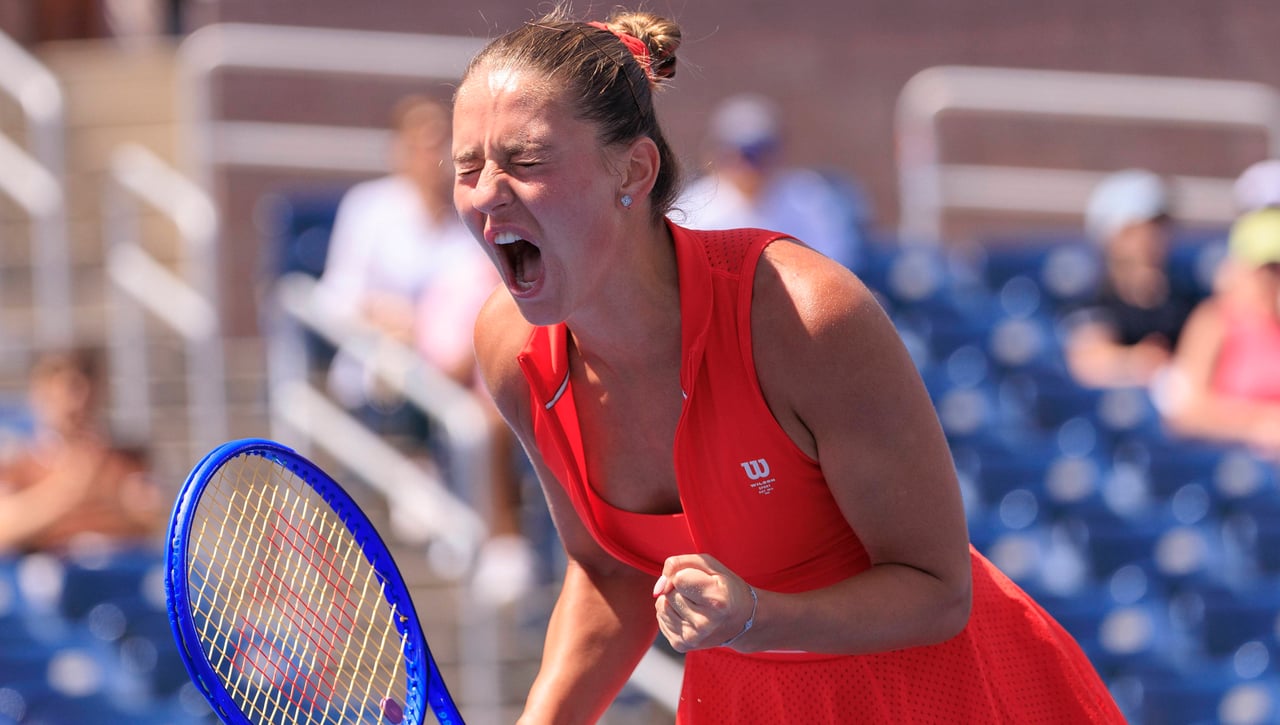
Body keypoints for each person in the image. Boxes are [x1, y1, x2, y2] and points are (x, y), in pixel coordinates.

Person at [452, 6, 1124, 722]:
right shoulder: (508, 347)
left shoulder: (805, 312)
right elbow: (613, 571)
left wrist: (754, 615)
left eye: (526, 160)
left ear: (635, 169)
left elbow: (937, 589)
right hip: (744, 697)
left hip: (947, 693)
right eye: (467, 166)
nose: (487, 189)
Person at [314, 94, 537, 606]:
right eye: (420, 140)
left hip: (465, 371)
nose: (432, 151)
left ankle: (488, 530)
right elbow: (333, 299)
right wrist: (383, 317)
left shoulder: (475, 214)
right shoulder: (368, 209)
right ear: (398, 149)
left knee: (498, 394)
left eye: (443, 141)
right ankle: (454, 500)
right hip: (387, 368)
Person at [676, 92, 868, 272]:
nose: (751, 165)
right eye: (743, 153)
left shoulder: (809, 199)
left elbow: (836, 263)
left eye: (761, 151)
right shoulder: (693, 210)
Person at [0, 347, 162, 554]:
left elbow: (152, 520)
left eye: (82, 389)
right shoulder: (18, 465)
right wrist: (71, 489)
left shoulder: (124, 460)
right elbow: (4, 530)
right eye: (64, 390)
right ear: (38, 394)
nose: (76, 403)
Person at [1158, 209, 1280, 458]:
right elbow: (1185, 413)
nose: (1274, 279)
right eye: (1270, 269)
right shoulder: (1213, 320)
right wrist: (1257, 424)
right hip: (1232, 465)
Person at [1062, 169, 1199, 389]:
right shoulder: (1096, 301)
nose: (1150, 239)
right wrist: (1134, 361)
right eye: (1136, 230)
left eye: (1159, 226)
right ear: (1112, 237)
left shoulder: (1187, 300)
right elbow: (1087, 358)